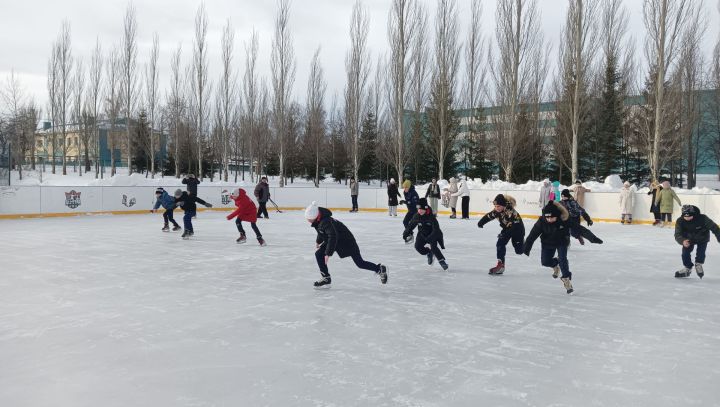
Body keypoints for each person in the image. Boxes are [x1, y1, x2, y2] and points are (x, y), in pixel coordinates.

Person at [304, 201, 388, 287]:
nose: (308, 220)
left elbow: (333, 236)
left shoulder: (325, 221)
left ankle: (379, 269)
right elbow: (322, 231)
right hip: (336, 241)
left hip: (347, 242)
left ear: (315, 216)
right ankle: (326, 278)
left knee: (360, 263)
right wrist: (318, 241)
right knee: (318, 254)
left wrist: (328, 253)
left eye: (309, 219)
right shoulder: (319, 219)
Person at [523, 201, 574, 294]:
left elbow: (577, 228)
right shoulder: (541, 221)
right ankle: (555, 265)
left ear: (557, 216)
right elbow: (533, 234)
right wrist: (527, 247)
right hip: (547, 242)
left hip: (561, 242)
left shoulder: (563, 220)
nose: (549, 219)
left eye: (552, 217)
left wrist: (590, 237)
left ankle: (566, 279)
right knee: (545, 262)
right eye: (547, 217)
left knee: (563, 260)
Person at [478, 193, 525, 275]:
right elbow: (488, 216)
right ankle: (501, 265)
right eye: (495, 206)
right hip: (507, 228)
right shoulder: (496, 211)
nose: (497, 208)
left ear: (503, 205)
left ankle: (524, 244)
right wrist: (481, 223)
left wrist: (505, 234)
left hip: (517, 230)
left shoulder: (511, 212)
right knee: (500, 244)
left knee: (519, 251)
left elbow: (514, 227)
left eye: (498, 206)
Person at [674, 205, 720, 279]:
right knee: (685, 254)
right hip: (688, 239)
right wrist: (682, 241)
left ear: (694, 214)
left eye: (689, 216)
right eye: (685, 216)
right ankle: (687, 268)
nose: (687, 218)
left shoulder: (703, 218)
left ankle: (698, 264)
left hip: (702, 238)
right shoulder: (680, 221)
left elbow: (715, 228)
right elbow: (677, 234)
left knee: (701, 253)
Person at [403, 198, 448, 270]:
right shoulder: (417, 216)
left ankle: (442, 261)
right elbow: (411, 225)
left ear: (426, 209)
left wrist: (431, 237)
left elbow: (436, 229)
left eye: (421, 209)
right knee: (418, 247)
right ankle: (429, 253)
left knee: (434, 248)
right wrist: (405, 233)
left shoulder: (431, 217)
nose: (419, 211)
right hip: (422, 234)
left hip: (432, 234)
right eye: (418, 209)